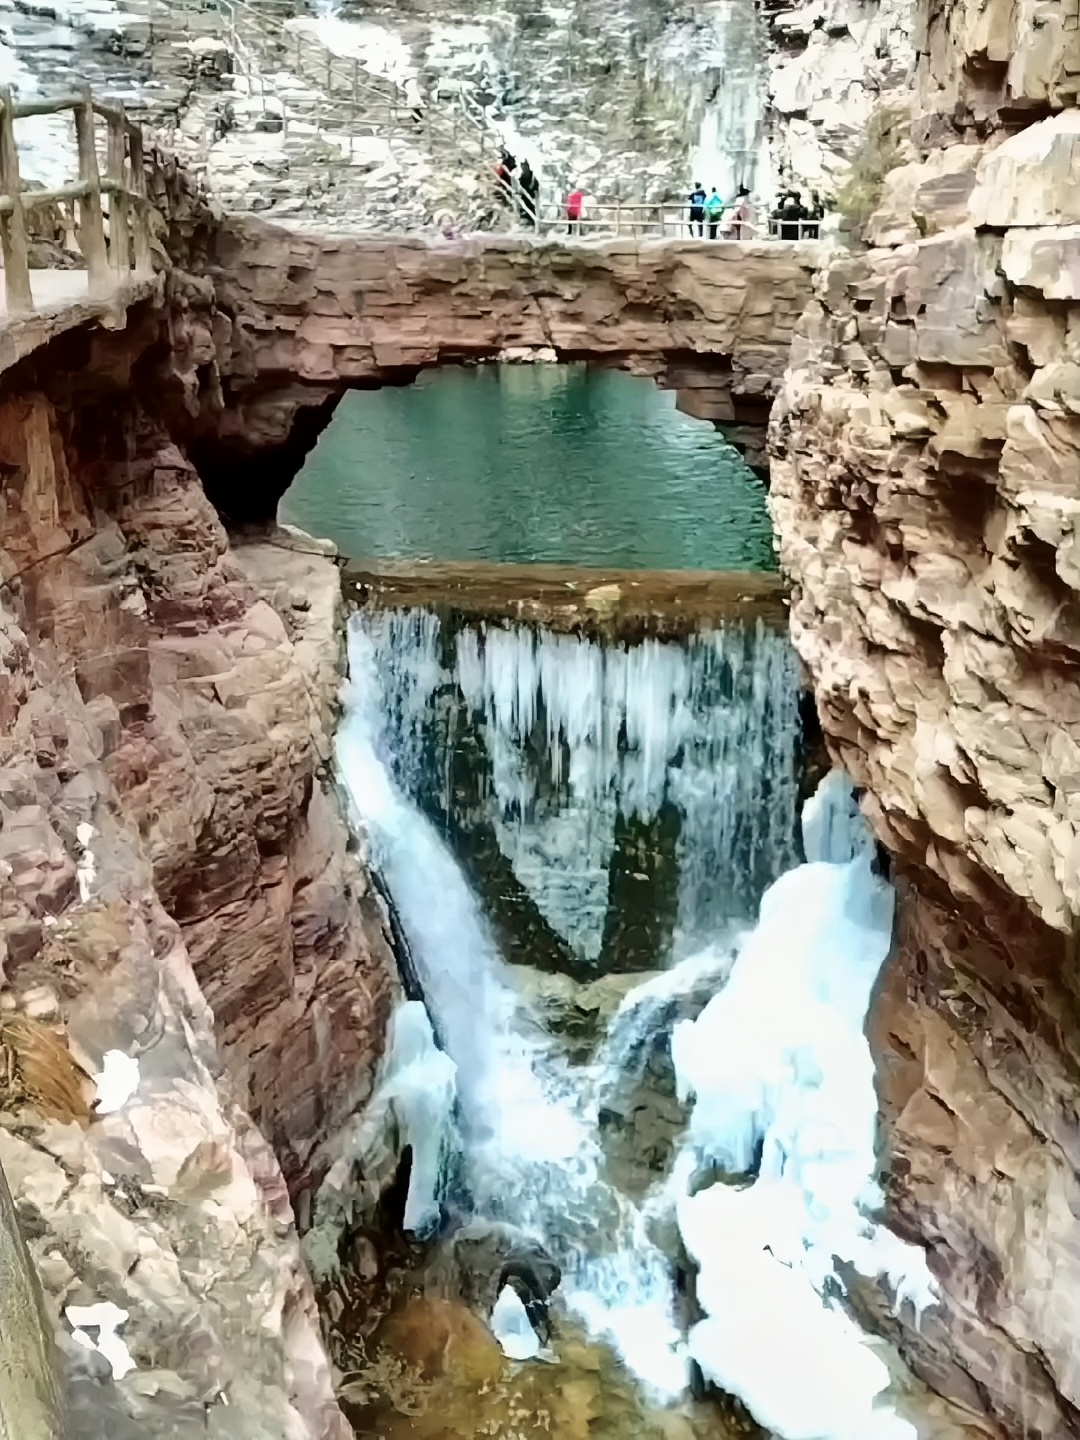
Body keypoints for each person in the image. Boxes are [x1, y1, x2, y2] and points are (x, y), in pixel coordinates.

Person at [519, 160, 540, 227]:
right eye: (522, 167)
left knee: (532, 208)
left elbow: (535, 186)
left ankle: (533, 222)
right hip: (524, 195)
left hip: (532, 195)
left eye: (524, 166)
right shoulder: (522, 176)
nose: (523, 168)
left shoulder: (532, 176)